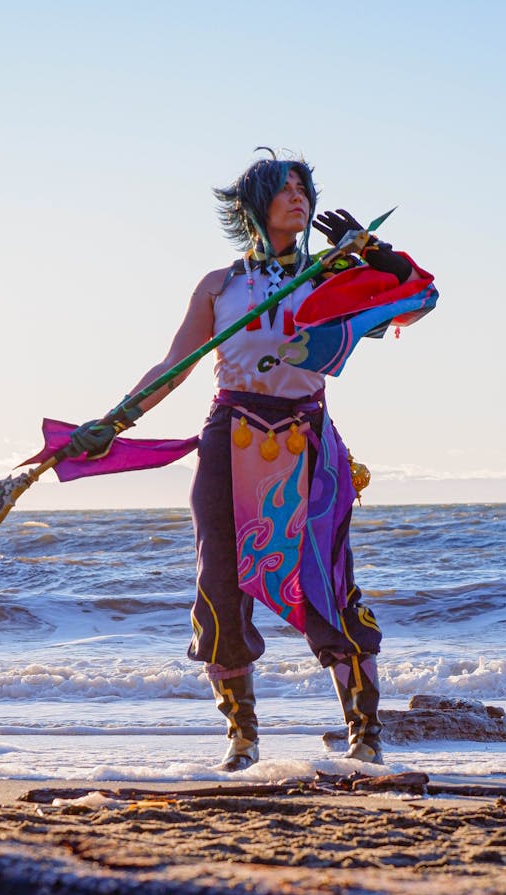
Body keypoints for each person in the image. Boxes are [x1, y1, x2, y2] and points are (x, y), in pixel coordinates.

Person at [66, 149, 433, 771]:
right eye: (284, 189)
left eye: (303, 189)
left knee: (327, 579)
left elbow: (416, 302)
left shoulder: (328, 276)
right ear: (253, 206)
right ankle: (241, 737)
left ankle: (364, 733)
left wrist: (371, 254)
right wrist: (117, 418)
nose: (299, 198)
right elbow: (174, 366)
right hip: (229, 437)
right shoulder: (220, 285)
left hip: (306, 441)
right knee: (220, 581)